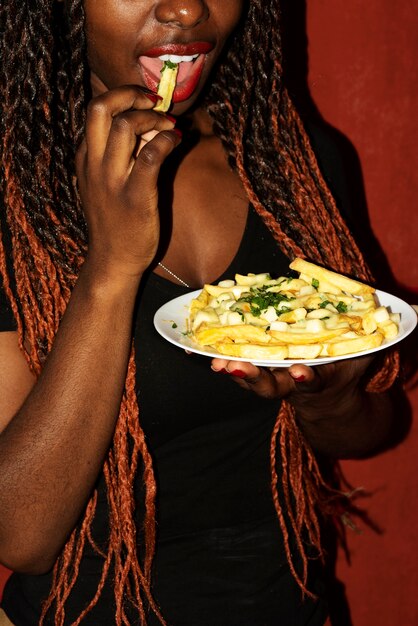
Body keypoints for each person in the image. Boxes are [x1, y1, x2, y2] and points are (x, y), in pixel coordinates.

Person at [0, 1, 400, 625]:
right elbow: (22, 536)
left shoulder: (290, 165)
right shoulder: (14, 198)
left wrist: (328, 401)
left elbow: (375, 426)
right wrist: (110, 267)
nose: (186, 8)